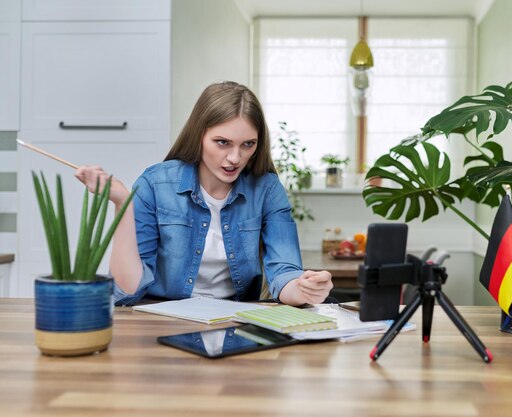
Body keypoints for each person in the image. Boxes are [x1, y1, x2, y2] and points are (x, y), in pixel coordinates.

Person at [75, 81, 333, 306]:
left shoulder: (266, 188)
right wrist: (122, 203)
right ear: (199, 135)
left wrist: (304, 289)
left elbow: (283, 273)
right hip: (161, 320)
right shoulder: (155, 183)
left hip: (235, 321)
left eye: (248, 144)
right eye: (222, 142)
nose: (235, 158)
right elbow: (126, 291)